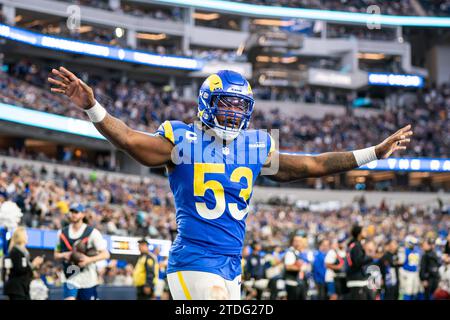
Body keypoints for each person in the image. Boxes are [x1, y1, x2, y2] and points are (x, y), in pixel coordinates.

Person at [48, 66, 413, 300]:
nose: (234, 113)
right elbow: (129, 139)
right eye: (227, 104)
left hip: (230, 264)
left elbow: (314, 164)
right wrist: (92, 107)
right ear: (208, 103)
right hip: (194, 258)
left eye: (240, 107)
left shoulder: (255, 145)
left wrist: (373, 154)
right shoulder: (183, 139)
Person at [54, 203, 110, 300]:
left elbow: (105, 254)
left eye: (76, 212)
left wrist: (89, 260)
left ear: (83, 214)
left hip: (87, 277)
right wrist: (65, 254)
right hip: (70, 274)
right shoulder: (61, 233)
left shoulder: (93, 232)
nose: (73, 214)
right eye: (71, 212)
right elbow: (56, 254)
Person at [3, 227, 44, 300]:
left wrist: (34, 267)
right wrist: (33, 264)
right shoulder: (15, 252)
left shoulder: (24, 252)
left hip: (23, 288)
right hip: (16, 289)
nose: (27, 237)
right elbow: (20, 269)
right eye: (26, 234)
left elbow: (25, 269)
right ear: (21, 236)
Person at [345, 225, 373, 300]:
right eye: (364, 231)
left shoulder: (353, 244)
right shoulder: (356, 246)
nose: (366, 232)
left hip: (356, 278)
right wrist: (371, 257)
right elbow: (358, 262)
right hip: (356, 280)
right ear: (359, 234)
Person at [398, 235, 421, 300]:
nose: (413, 245)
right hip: (407, 272)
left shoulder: (416, 251)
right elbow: (401, 262)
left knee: (415, 291)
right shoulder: (404, 250)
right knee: (407, 291)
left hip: (415, 273)